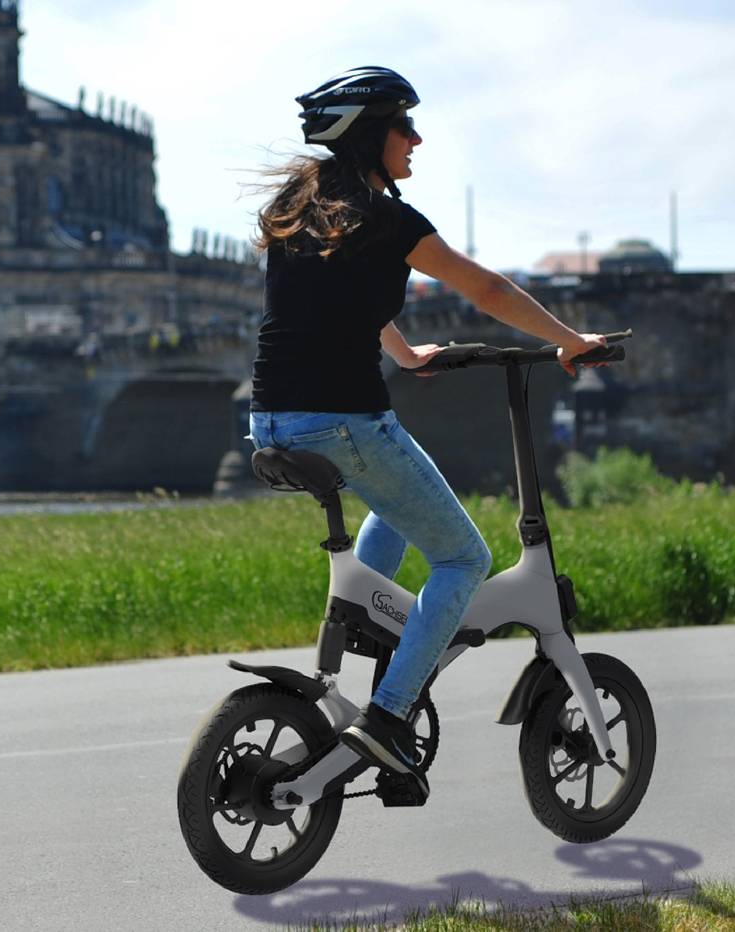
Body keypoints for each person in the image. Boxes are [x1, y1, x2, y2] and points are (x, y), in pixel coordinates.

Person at [248, 66, 606, 795]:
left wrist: (406, 355)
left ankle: (372, 620)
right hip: (345, 423)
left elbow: (341, 298)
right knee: (464, 559)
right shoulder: (389, 221)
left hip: (272, 423)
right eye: (403, 125)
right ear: (368, 136)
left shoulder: (303, 206)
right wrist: (567, 338)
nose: (416, 138)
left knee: (402, 496)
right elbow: (487, 289)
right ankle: (387, 716)